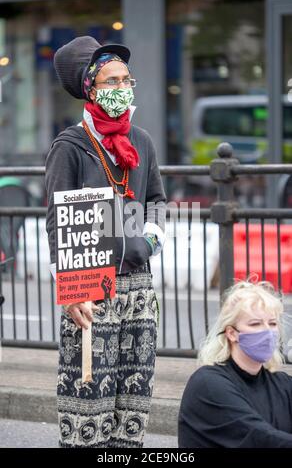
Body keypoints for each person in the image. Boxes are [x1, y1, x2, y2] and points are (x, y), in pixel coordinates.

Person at [45, 36, 166, 448]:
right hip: (91, 289)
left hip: (138, 289)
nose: (122, 89)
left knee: (133, 404)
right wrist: (70, 291)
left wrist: (148, 243)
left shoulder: (142, 141)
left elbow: (156, 200)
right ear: (90, 89)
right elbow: (57, 221)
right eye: (111, 81)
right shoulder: (70, 147)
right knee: (89, 402)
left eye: (126, 80)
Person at [178, 280, 292, 448]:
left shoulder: (282, 384)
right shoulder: (208, 384)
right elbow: (259, 438)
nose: (267, 331)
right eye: (255, 324)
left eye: (272, 323)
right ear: (232, 333)